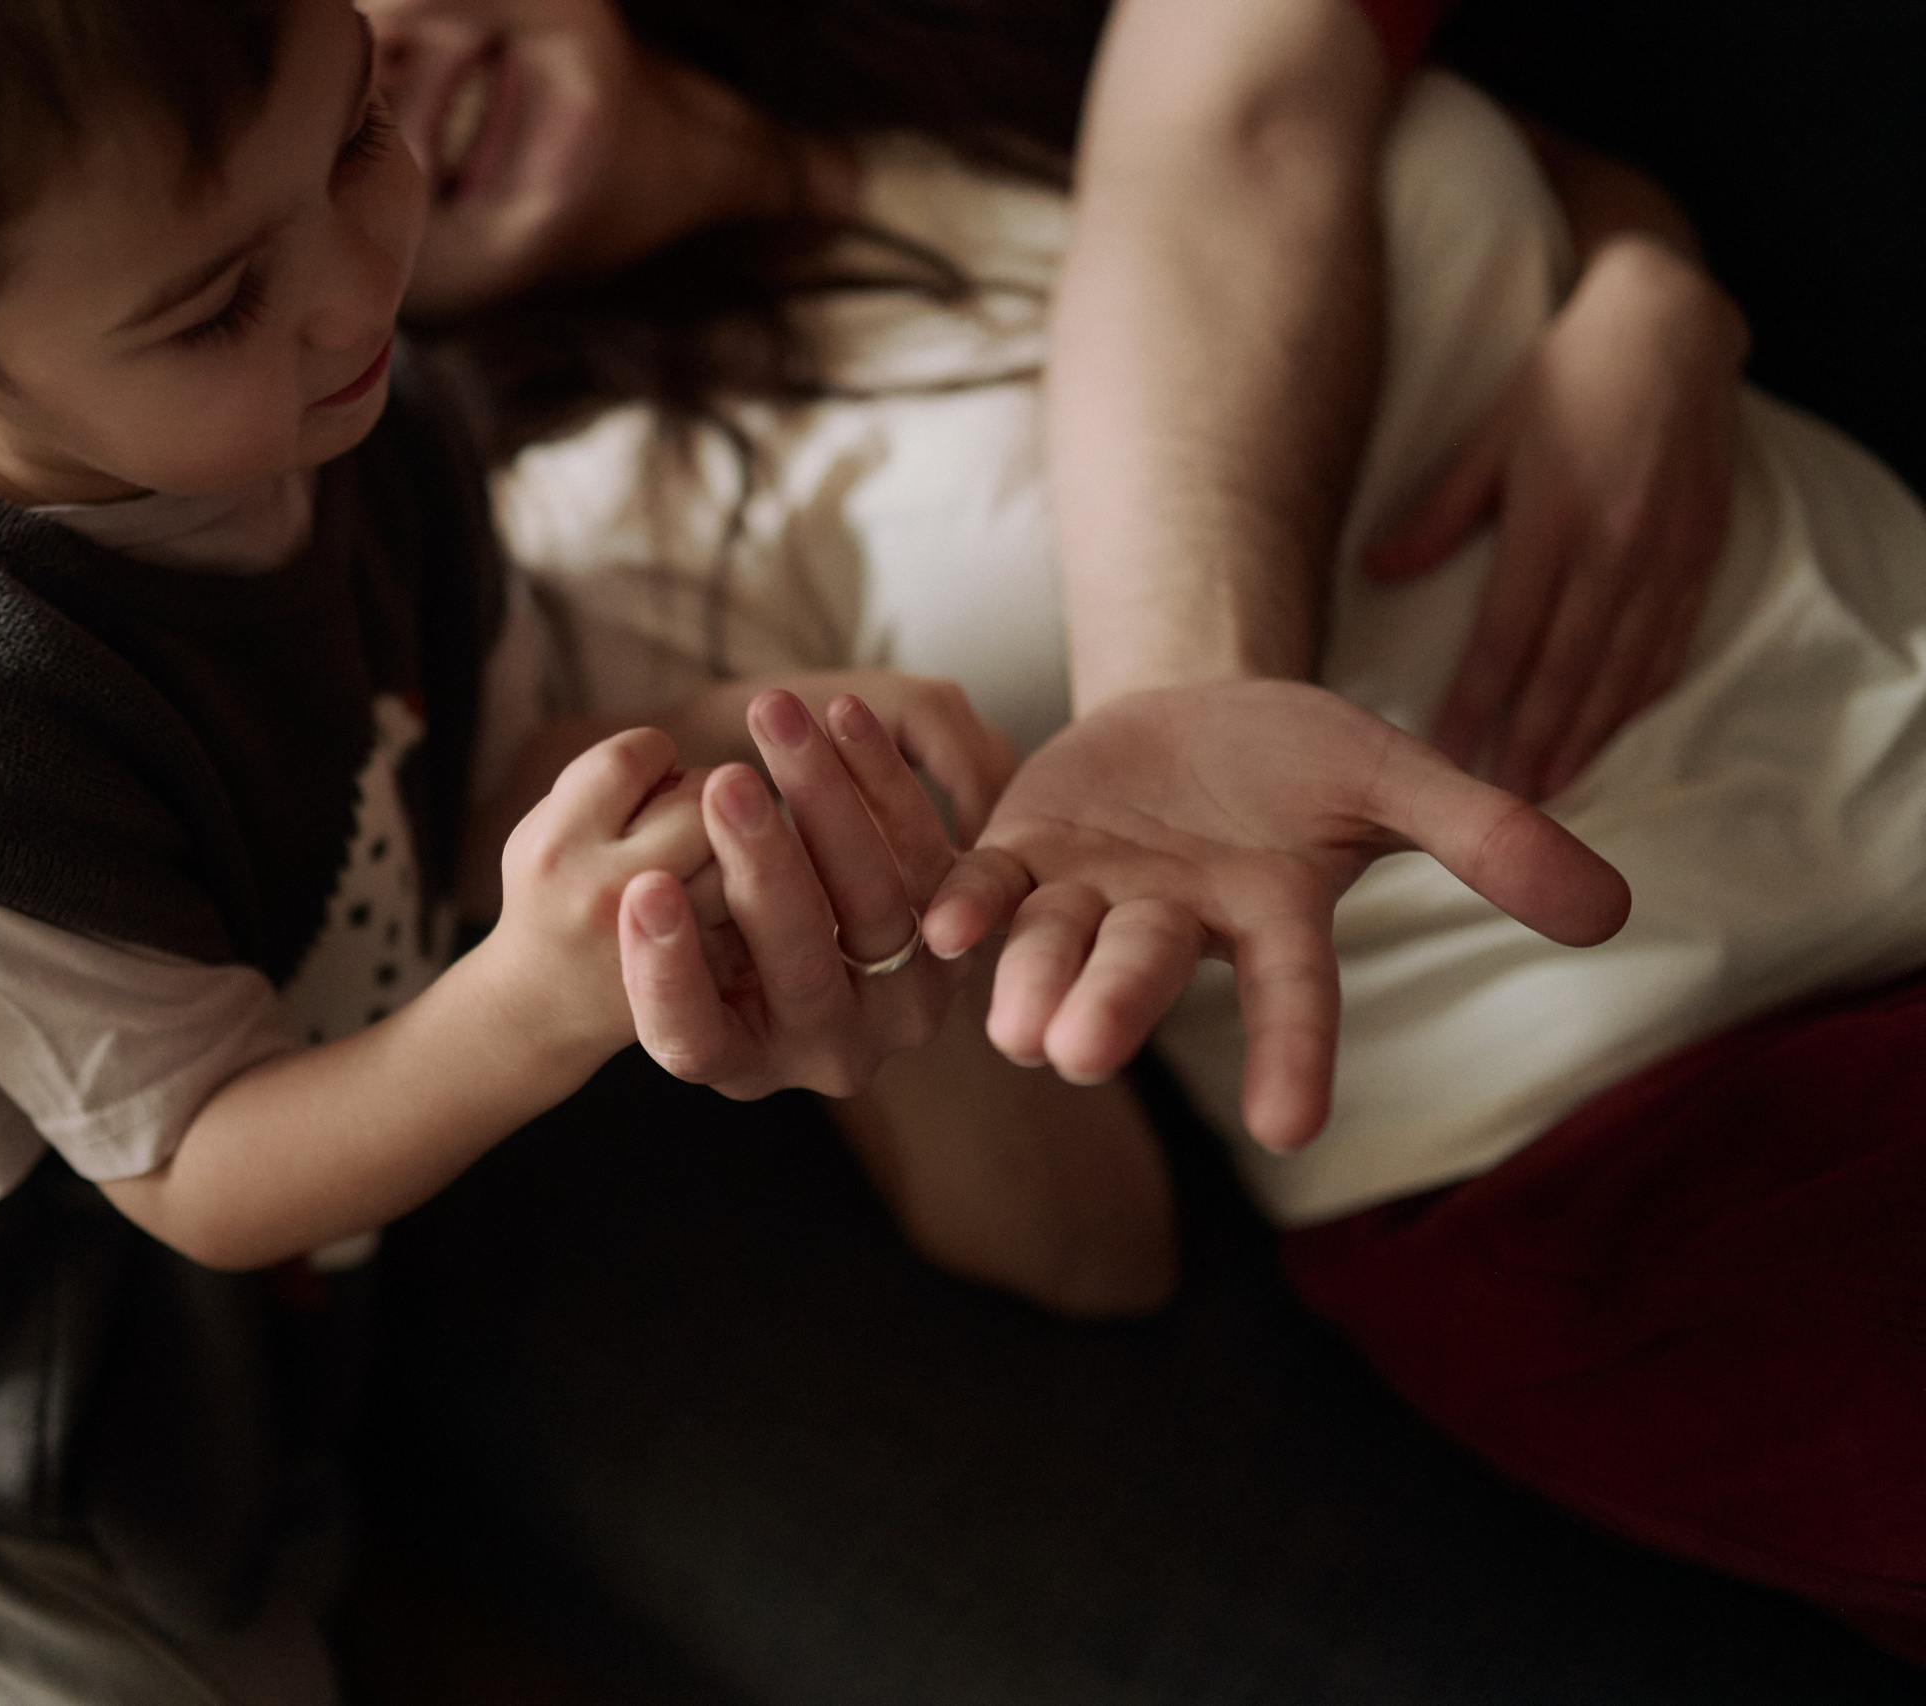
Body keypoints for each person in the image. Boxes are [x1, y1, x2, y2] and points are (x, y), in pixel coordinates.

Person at [0, 0, 1025, 1697]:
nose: (355, 279)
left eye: (362, 131)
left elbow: (457, 777)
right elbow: (209, 1171)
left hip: (246, 1246)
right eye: (214, 300)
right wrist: (531, 1003)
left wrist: (733, 742)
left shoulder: (349, 394)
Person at [368, 0, 1926, 1658]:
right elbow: (1087, 1241)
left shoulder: (981, 55)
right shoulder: (604, 554)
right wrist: (883, 930)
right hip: (1631, 1123)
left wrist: (1651, 287)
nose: (380, 46)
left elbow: (1455, 162)